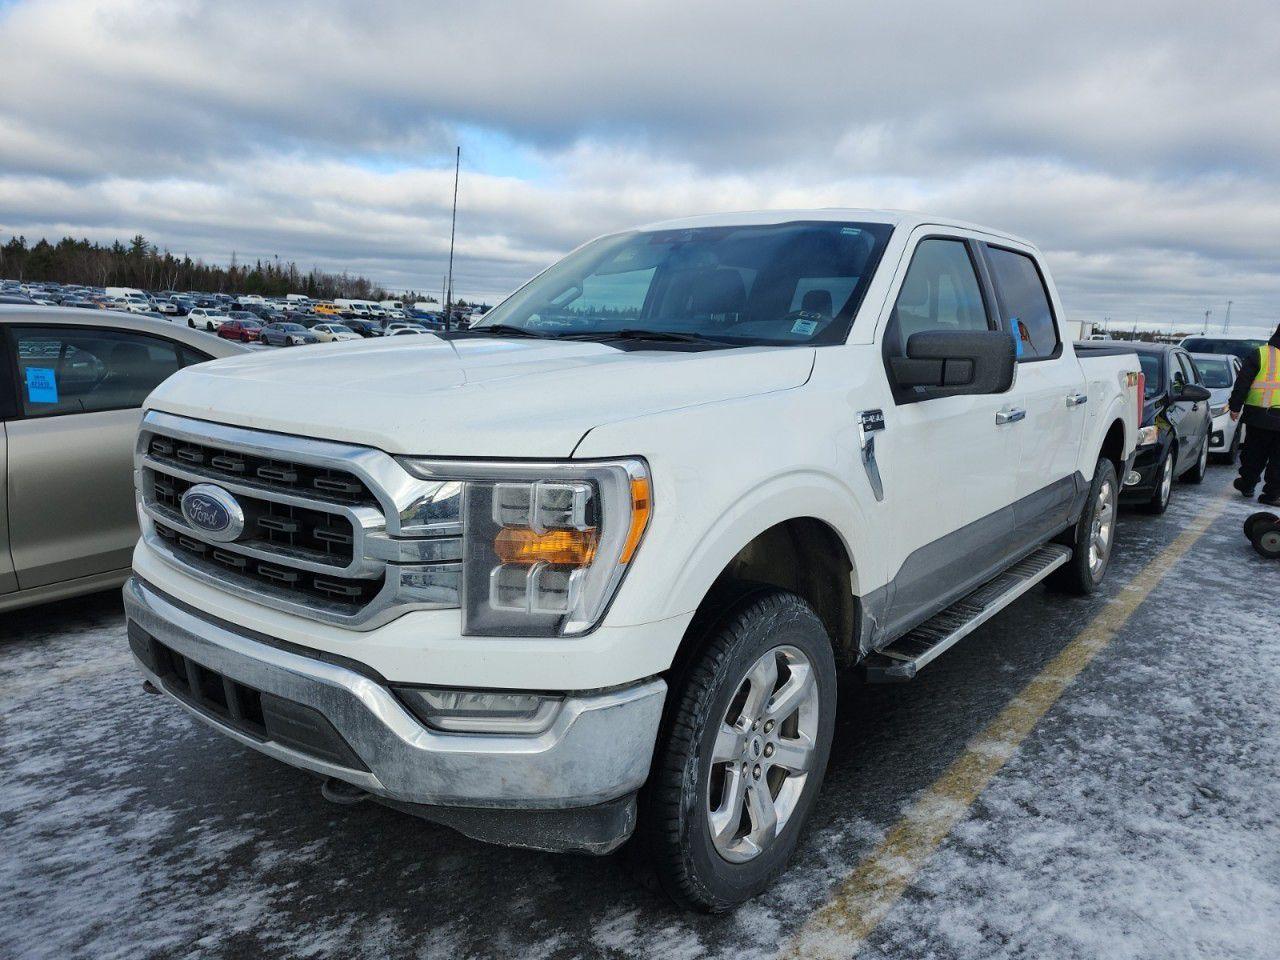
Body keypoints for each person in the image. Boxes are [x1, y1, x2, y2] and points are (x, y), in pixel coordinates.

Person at [1228, 322, 1280, 506]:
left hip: (1260, 416)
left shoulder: (1262, 353)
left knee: (1254, 453)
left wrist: (1235, 406)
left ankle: (1248, 484)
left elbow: (1243, 382)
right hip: (1263, 415)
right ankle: (1273, 494)